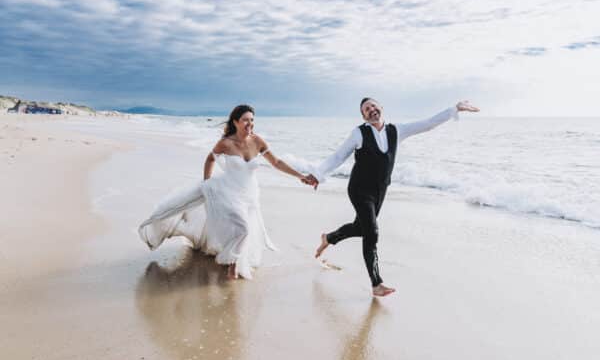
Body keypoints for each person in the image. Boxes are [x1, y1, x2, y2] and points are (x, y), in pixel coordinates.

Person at [307, 98, 479, 297]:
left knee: (361, 228)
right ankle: (376, 284)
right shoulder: (359, 133)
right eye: (366, 109)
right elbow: (338, 156)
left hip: (380, 190)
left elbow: (427, 124)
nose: (371, 109)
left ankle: (328, 238)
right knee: (372, 232)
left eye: (373, 106)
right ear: (363, 116)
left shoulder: (397, 130)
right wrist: (318, 175)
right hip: (359, 189)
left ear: (381, 108)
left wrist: (454, 109)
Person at [139, 105, 314, 280]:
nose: (250, 123)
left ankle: (232, 260)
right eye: (246, 120)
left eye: (252, 120)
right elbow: (210, 159)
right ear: (235, 122)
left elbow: (277, 162)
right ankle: (231, 265)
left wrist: (300, 176)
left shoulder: (258, 141)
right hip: (227, 191)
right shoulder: (226, 143)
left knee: (241, 228)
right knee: (243, 229)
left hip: (250, 194)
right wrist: (207, 183)